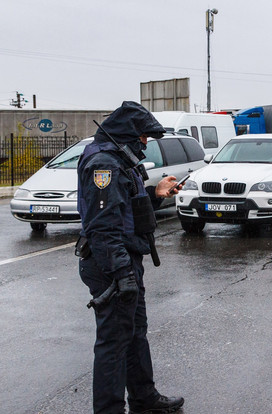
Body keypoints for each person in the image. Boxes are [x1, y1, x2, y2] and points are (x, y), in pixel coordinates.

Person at [76, 101, 184, 414]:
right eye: (144, 138)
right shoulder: (104, 164)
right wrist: (122, 272)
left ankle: (144, 398)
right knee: (113, 342)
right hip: (110, 263)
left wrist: (155, 194)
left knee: (135, 334)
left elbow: (125, 207)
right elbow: (104, 226)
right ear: (129, 133)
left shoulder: (120, 159)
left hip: (124, 259)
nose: (147, 144)